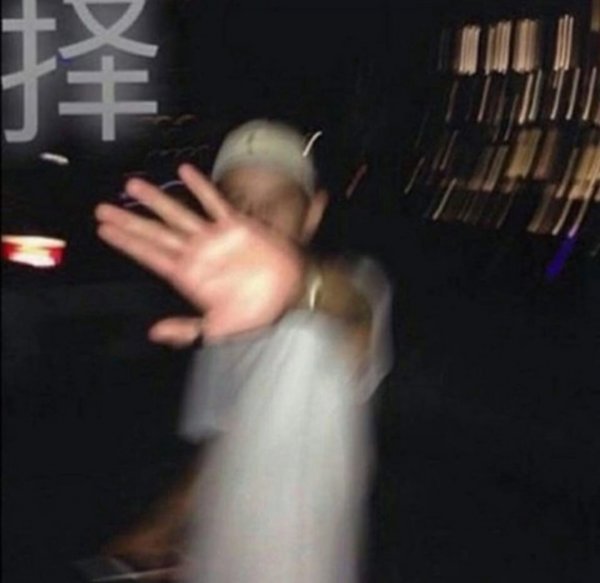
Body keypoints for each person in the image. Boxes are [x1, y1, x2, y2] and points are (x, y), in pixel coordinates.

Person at [97, 119, 393, 582]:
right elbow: (221, 440)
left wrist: (297, 284)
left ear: (313, 212)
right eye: (236, 202)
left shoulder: (356, 288)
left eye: (277, 201)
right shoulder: (220, 321)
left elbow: (353, 310)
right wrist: (159, 526)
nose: (254, 219)